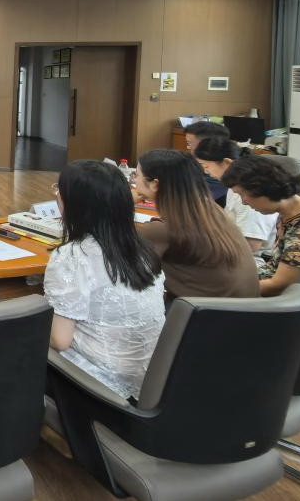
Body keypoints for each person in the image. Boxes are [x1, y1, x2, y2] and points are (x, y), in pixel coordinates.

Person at [44, 160, 166, 399]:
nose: (57, 195)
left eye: (60, 190)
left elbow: (59, 341)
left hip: (98, 388)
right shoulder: (143, 250)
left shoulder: (73, 256)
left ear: (75, 203)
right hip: (149, 381)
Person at [132, 149, 258, 298]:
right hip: (244, 307)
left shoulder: (164, 230)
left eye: (137, 175)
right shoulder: (209, 209)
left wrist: (122, 201)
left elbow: (118, 250)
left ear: (155, 184)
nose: (134, 180)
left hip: (206, 310)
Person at [222, 155, 300, 296]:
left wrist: (221, 290)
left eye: (243, 194)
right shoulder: (291, 212)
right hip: (263, 281)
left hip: (275, 301)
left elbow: (278, 286)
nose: (243, 202)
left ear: (263, 188)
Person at [192, 136, 277, 252]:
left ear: (227, 162)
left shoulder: (248, 192)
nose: (206, 172)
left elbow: (251, 245)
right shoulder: (233, 185)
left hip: (248, 256)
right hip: (230, 247)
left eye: (206, 166)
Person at [183, 120, 230, 205]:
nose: (188, 147)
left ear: (207, 144)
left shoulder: (220, 170)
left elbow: (194, 198)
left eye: (190, 143)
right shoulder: (195, 160)